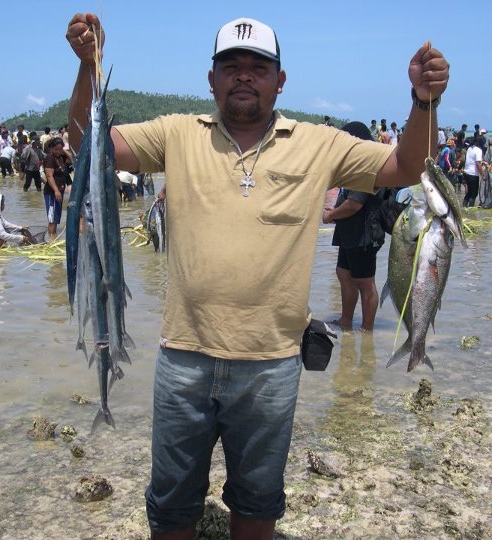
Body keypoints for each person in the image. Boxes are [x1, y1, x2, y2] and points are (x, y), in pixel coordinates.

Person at [66, 13, 449, 539]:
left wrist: (423, 101)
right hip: (184, 361)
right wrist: (89, 68)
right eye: (231, 66)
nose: (243, 76)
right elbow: (88, 143)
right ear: (212, 79)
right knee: (172, 507)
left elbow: (408, 167)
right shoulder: (177, 133)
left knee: (257, 504)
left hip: (272, 368)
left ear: (279, 80)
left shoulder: (320, 143)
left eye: (257, 67)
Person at [322, 121, 385, 332]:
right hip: (348, 231)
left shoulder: (366, 166)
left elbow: (355, 204)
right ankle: (346, 320)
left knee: (365, 282)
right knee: (343, 273)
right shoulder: (354, 165)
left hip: (363, 233)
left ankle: (367, 330)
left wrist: (331, 215)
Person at [43, 137, 72, 236]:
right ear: (51, 148)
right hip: (52, 193)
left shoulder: (60, 157)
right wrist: (56, 190)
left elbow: (72, 160)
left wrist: (62, 151)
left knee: (56, 217)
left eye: (60, 150)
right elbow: (49, 176)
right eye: (56, 149)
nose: (58, 152)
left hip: (60, 191)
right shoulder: (50, 158)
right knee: (52, 218)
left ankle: (53, 235)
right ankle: (51, 238)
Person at [462, 137, 484, 207]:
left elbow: (472, 160)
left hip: (466, 173)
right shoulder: (478, 150)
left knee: (469, 192)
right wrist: (482, 174)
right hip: (473, 175)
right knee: (474, 194)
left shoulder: (469, 148)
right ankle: (470, 209)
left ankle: (464, 207)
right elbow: (478, 164)